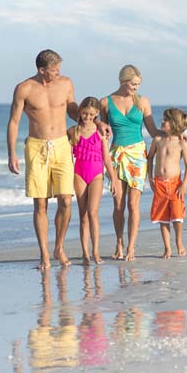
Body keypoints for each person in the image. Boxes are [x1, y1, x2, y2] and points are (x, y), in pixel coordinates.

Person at [7, 49, 78, 270]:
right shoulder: (24, 89)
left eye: (59, 69)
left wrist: (93, 121)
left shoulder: (66, 83)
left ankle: (59, 247)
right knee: (40, 204)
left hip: (62, 145)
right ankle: (45, 255)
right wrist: (12, 153)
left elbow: (73, 110)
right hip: (36, 147)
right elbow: (14, 122)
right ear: (42, 70)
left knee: (66, 200)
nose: (58, 73)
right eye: (54, 70)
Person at [100, 65, 163, 261]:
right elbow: (103, 134)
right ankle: (119, 243)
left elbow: (153, 131)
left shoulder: (143, 102)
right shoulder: (106, 102)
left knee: (133, 204)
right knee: (118, 205)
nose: (135, 88)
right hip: (116, 155)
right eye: (133, 84)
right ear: (123, 81)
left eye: (138, 85)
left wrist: (174, 135)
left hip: (137, 155)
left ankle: (132, 248)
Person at [67, 97, 118, 265]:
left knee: (93, 212)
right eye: (84, 113)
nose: (87, 117)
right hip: (78, 174)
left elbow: (106, 158)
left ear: (96, 113)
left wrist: (114, 179)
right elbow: (65, 155)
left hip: (96, 174)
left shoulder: (100, 132)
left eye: (90, 114)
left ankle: (96, 251)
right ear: (80, 111)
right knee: (83, 215)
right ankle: (85, 254)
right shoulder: (73, 131)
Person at [147, 108, 187, 259]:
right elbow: (150, 158)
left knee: (177, 216)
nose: (162, 121)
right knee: (163, 218)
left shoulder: (181, 143)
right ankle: (167, 248)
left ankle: (179, 242)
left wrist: (184, 184)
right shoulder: (158, 140)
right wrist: (150, 178)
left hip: (175, 184)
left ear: (174, 123)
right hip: (159, 183)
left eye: (165, 120)